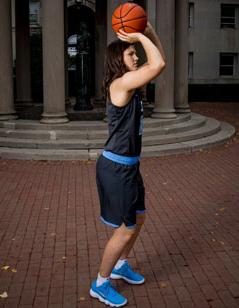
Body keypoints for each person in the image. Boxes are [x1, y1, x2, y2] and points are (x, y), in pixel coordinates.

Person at [90, 22, 165, 307]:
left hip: (130, 167)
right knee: (125, 229)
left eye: (136, 53)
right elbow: (159, 64)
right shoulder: (120, 84)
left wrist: (150, 33)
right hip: (115, 168)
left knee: (140, 218)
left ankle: (121, 266)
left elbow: (157, 62)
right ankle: (100, 283)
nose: (137, 58)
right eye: (131, 54)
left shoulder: (131, 84)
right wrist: (137, 36)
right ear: (117, 60)